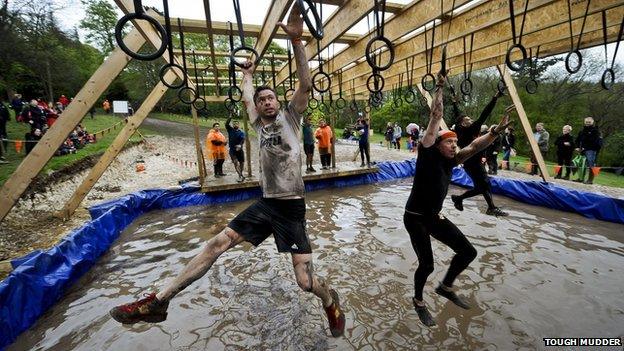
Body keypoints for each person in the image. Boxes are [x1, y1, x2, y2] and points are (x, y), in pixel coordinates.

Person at [109, 6, 346, 338]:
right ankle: (159, 301)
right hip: (267, 204)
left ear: (278, 102)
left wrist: (296, 43)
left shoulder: (291, 117)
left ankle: (330, 300)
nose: (265, 102)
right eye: (261, 99)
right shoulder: (256, 125)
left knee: (306, 282)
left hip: (291, 207)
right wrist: (247, 75)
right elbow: (246, 96)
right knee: (215, 244)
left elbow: (306, 84)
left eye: (270, 98)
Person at [404, 72, 513, 327]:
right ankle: (419, 301)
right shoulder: (428, 153)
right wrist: (439, 89)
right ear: (437, 144)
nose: (454, 145)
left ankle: (446, 286)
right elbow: (435, 117)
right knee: (427, 265)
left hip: (433, 217)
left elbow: (475, 147)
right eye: (449, 142)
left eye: (455, 142)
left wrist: (496, 130)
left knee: (468, 251)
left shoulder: (452, 160)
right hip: (415, 218)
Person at [450, 90, 509, 217]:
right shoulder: (472, 128)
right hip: (473, 162)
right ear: (463, 122)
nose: (471, 120)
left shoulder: (459, 129)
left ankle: (459, 199)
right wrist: (494, 98)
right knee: (485, 185)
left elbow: (458, 114)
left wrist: (454, 103)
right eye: (468, 119)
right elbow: (485, 113)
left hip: (470, 161)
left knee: (481, 186)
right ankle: (491, 207)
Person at [574, 117, 602, 184]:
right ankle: (580, 178)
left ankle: (590, 180)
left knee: (591, 164)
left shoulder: (595, 131)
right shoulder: (582, 131)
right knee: (581, 164)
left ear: (592, 122)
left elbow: (593, 141)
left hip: (591, 150)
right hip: (582, 150)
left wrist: (585, 147)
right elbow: (577, 140)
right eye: (586, 122)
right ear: (584, 122)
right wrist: (577, 147)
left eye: (589, 122)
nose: (587, 123)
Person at [225, 115, 246, 182]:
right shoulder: (230, 130)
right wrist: (230, 117)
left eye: (236, 123)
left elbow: (243, 139)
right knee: (235, 162)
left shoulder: (241, 132)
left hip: (239, 149)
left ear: (238, 125)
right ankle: (241, 175)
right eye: (234, 124)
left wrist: (240, 145)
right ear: (232, 125)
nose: (235, 124)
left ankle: (240, 175)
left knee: (242, 163)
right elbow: (226, 124)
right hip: (232, 150)